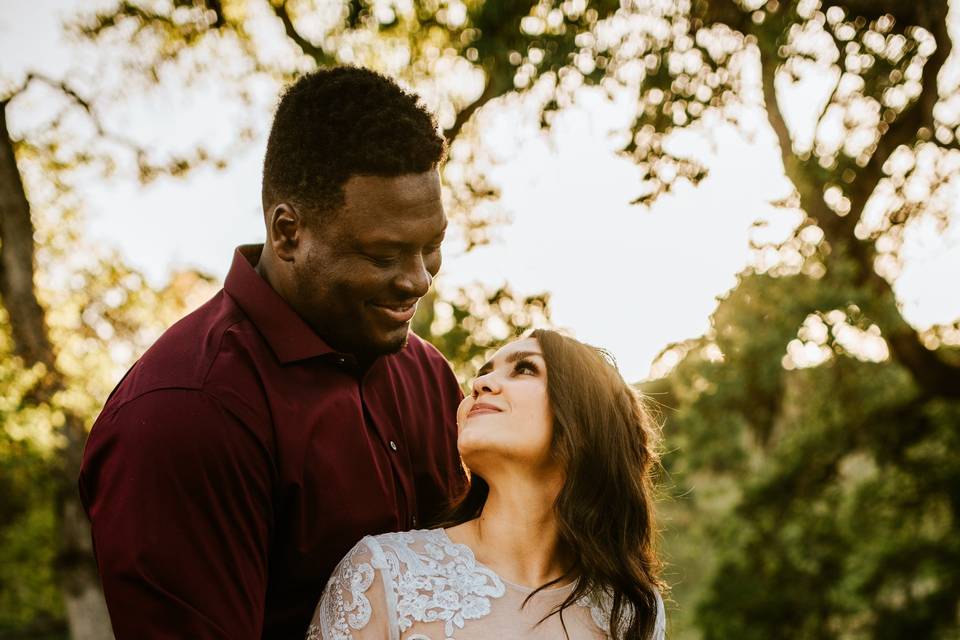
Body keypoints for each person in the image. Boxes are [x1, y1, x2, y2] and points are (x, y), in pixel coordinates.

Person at [78, 67, 466, 639]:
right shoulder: (185, 413)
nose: (418, 280)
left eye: (431, 246)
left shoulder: (426, 373)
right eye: (385, 255)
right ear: (288, 233)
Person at [309, 329, 666, 640]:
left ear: (586, 420)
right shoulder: (384, 573)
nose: (480, 384)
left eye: (524, 369)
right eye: (483, 374)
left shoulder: (631, 606)